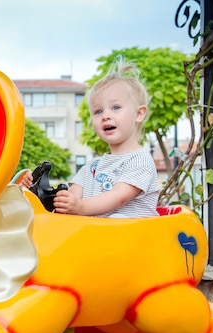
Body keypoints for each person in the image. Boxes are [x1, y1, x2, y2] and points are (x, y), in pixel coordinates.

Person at [22, 59, 160, 218]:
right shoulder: (92, 167)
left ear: (139, 114)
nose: (106, 116)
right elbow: (69, 199)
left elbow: (119, 196)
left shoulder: (140, 160)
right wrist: (38, 189)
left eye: (116, 107)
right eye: (98, 111)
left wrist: (80, 207)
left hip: (133, 237)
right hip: (98, 237)